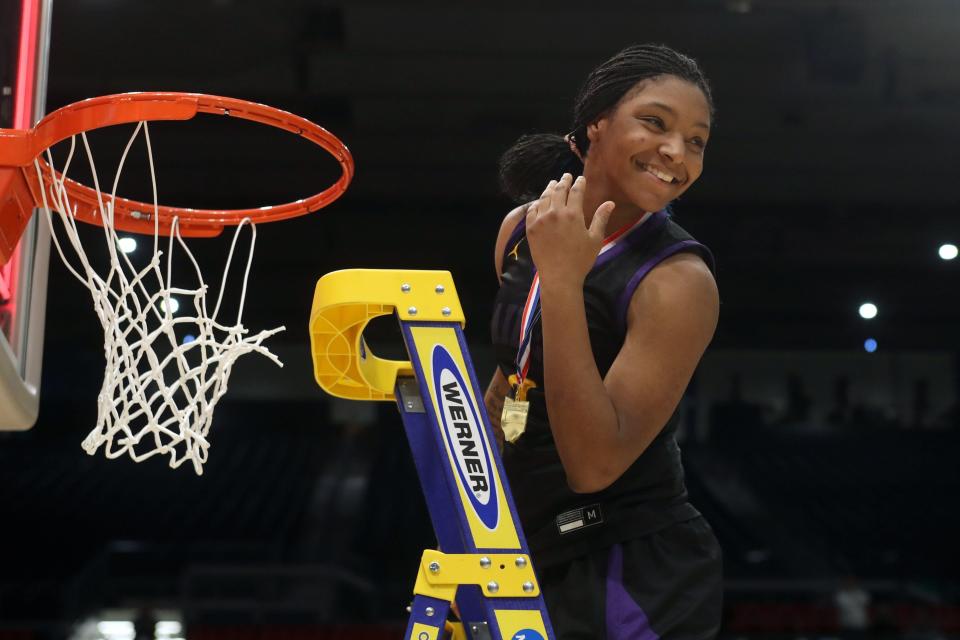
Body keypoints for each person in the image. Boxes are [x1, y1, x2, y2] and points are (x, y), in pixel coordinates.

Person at [484, 44, 722, 639]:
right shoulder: (521, 229)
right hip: (530, 554)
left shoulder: (679, 282)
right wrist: (476, 544)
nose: (677, 152)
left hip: (633, 573)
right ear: (596, 121)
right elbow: (509, 382)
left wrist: (565, 284)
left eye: (696, 141)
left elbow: (593, 466)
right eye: (656, 122)